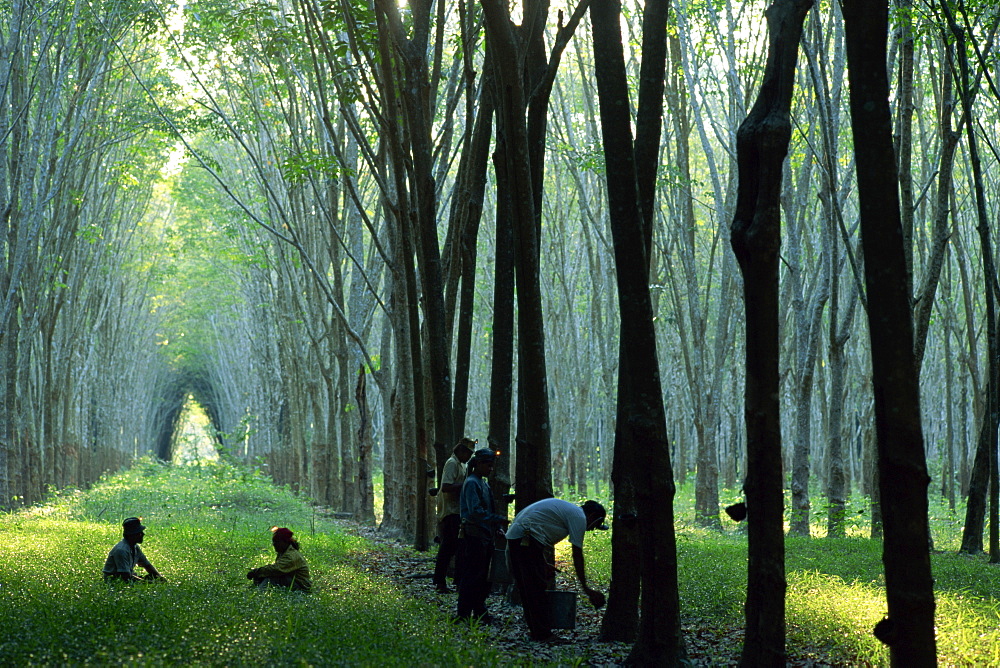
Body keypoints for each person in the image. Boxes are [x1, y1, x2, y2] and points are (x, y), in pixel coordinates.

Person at [505, 498, 608, 642]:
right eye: (596, 524)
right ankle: (543, 634)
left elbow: (539, 527)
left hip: (518, 537)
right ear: (592, 516)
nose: (591, 529)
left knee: (529, 587)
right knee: (536, 588)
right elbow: (577, 554)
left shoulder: (571, 512)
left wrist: (543, 562)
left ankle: (537, 632)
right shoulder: (579, 516)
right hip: (525, 538)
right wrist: (586, 588)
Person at [455, 448, 505, 623]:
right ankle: (462, 614)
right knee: (472, 576)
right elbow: (475, 512)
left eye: (492, 465)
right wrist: (496, 519)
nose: (491, 469)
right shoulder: (471, 483)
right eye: (488, 465)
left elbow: (489, 507)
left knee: (483, 577)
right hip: (473, 536)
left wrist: (497, 526)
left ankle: (479, 612)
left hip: (485, 536)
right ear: (479, 464)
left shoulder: (484, 484)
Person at [432, 437, 476, 594]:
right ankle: (441, 581)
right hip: (451, 512)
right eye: (468, 453)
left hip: (457, 511)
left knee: (453, 548)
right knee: (449, 548)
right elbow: (446, 486)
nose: (470, 456)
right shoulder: (452, 464)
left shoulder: (461, 465)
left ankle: (447, 581)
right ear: (461, 451)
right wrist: (466, 485)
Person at [247, 527, 312, 592]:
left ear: (284, 542)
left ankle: (259, 594)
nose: (274, 544)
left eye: (276, 542)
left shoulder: (291, 556)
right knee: (262, 575)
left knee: (272, 577)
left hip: (301, 588)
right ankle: (253, 590)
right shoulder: (284, 552)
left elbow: (276, 569)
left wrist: (256, 571)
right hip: (292, 581)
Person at [102, 517, 166, 583]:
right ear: (132, 535)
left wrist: (159, 577)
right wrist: (149, 582)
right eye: (139, 533)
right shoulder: (121, 550)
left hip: (127, 576)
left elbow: (147, 565)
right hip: (115, 581)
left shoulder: (135, 547)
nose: (143, 534)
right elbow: (125, 577)